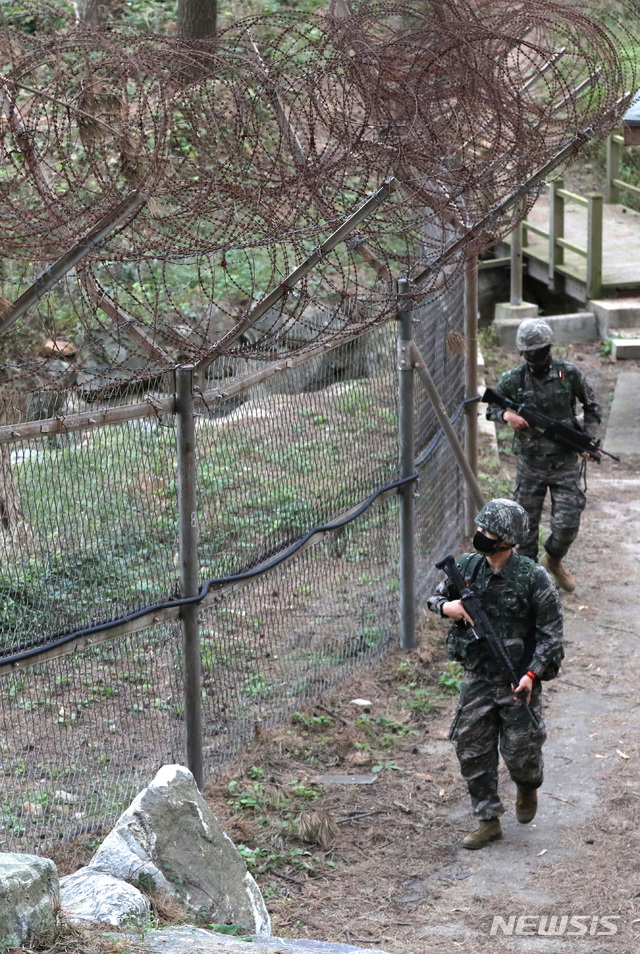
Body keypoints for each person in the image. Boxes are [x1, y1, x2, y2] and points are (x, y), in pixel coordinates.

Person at [427, 499, 563, 850]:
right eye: (480, 529)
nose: (480, 536)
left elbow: (551, 635)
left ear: (505, 540)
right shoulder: (469, 567)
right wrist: (449, 608)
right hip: (478, 677)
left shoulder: (533, 578)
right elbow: (434, 599)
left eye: (488, 532)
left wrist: (531, 674)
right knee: (471, 748)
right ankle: (487, 819)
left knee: (522, 754)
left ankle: (527, 786)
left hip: (518, 679)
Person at [485, 318, 602, 592]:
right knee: (523, 532)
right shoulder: (513, 380)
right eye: (529, 353)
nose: (535, 357)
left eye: (540, 351)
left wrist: (588, 440)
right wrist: (506, 415)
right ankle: (530, 586)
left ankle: (553, 560)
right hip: (530, 466)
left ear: (549, 348)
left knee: (567, 525)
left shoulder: (568, 374)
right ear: (522, 353)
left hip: (564, 464)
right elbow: (490, 406)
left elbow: (593, 407)